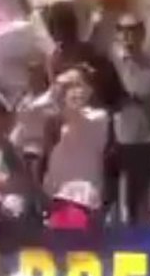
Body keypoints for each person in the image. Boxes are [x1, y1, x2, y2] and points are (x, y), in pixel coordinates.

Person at [110, 11, 150, 226]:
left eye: (133, 30)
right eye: (122, 30)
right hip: (112, 143)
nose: (127, 35)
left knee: (139, 204)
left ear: (142, 33)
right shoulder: (110, 66)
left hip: (143, 144)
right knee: (112, 202)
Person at [42, 64, 110, 231]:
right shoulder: (56, 120)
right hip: (55, 200)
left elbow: (73, 114)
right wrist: (56, 87)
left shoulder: (98, 118)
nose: (73, 91)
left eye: (78, 85)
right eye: (69, 87)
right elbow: (29, 113)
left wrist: (56, 83)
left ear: (90, 90)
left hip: (80, 201)